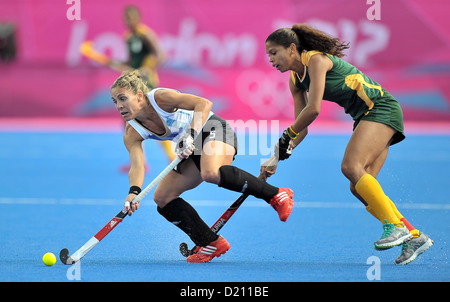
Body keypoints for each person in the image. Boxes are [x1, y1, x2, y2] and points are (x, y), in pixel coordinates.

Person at [262, 24, 433, 265]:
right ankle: (413, 236)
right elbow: (302, 127)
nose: (270, 59)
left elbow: (313, 110)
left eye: (274, 52)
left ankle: (394, 226)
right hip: (365, 117)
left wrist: (286, 135)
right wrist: (275, 157)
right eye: (268, 54)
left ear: (292, 48)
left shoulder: (316, 60)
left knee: (350, 166)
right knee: (358, 187)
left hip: (380, 108)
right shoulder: (295, 80)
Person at [110, 70, 295, 263]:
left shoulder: (159, 98)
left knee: (211, 172)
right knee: (162, 198)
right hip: (192, 147)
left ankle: (276, 194)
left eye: (123, 98)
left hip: (213, 129)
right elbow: (138, 165)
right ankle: (209, 242)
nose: (119, 105)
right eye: (115, 101)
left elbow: (204, 103)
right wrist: (134, 192)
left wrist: (190, 134)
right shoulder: (132, 131)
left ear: (139, 96)